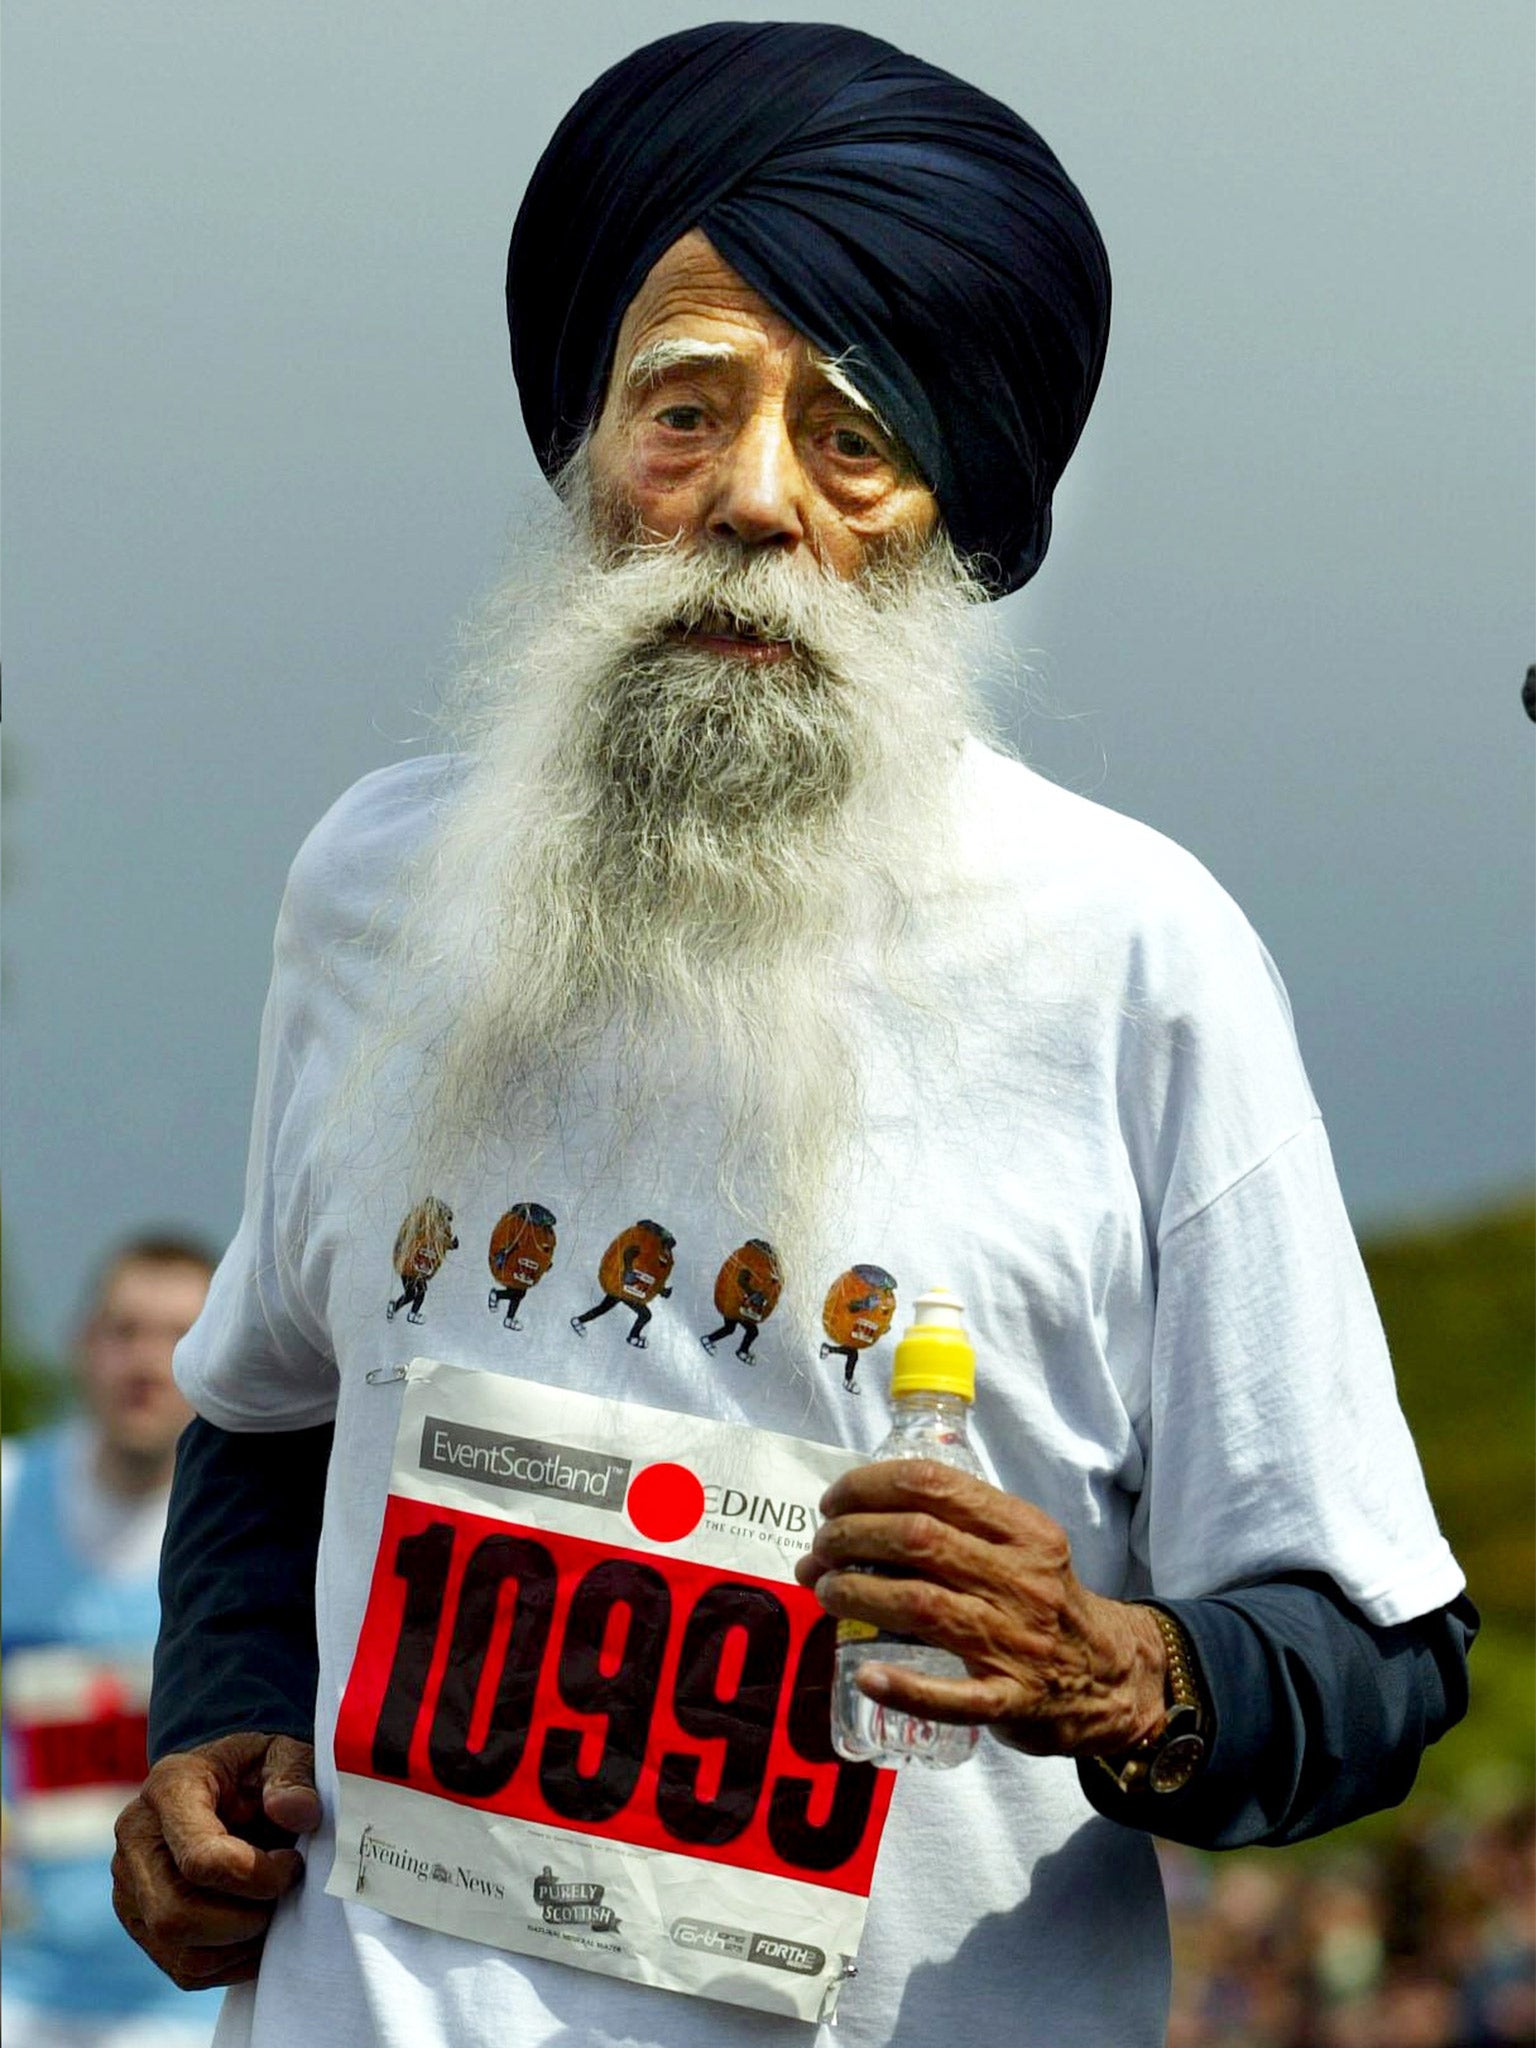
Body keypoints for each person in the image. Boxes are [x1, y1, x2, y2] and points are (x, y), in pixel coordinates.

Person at [109, 24, 1475, 2048]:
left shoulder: (1132, 957)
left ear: (954, 503)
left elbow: (1373, 1655)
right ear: (587, 448)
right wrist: (214, 1717)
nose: (754, 501)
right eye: (684, 412)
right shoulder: (372, 890)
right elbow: (270, 1396)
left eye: (854, 433)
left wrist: (1123, 1669)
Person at [2, 1232, 222, 2048]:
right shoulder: (8, 1497)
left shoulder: (268, 1549)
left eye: (177, 1338)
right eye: (123, 1331)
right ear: (80, 1344)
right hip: (21, 1988)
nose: (144, 1362)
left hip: (186, 2005)